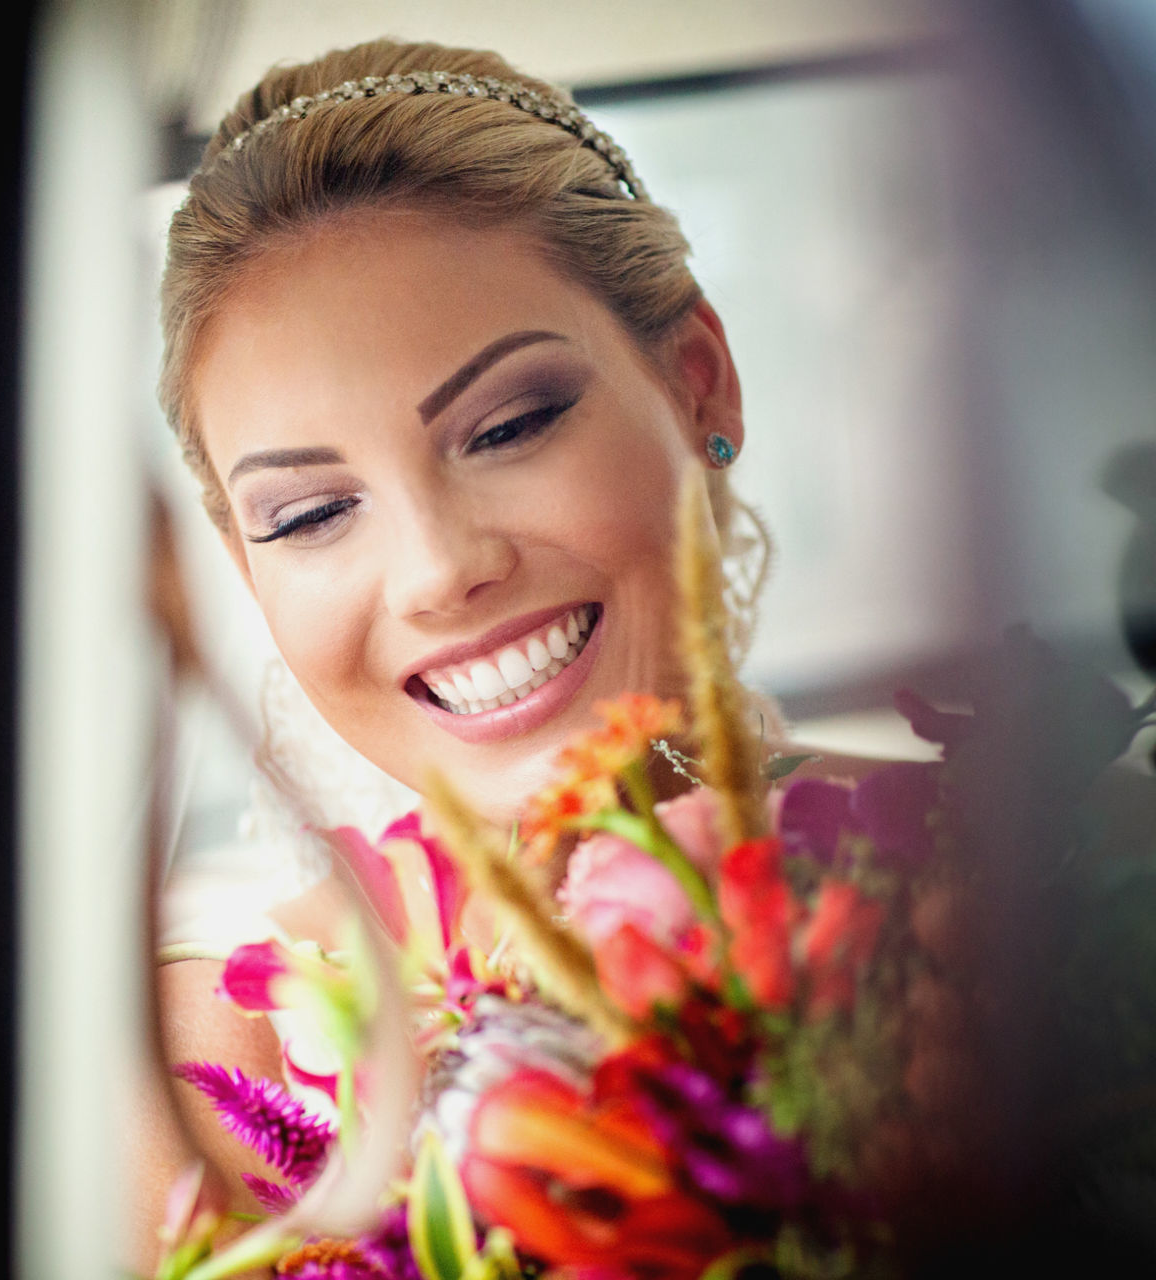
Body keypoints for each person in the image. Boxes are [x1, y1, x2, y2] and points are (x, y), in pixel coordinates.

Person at [134, 37, 837, 1265]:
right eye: (309, 514)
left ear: (698, 385)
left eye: (508, 425)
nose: (437, 569)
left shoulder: (1015, 896)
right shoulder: (201, 1066)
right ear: (246, 565)